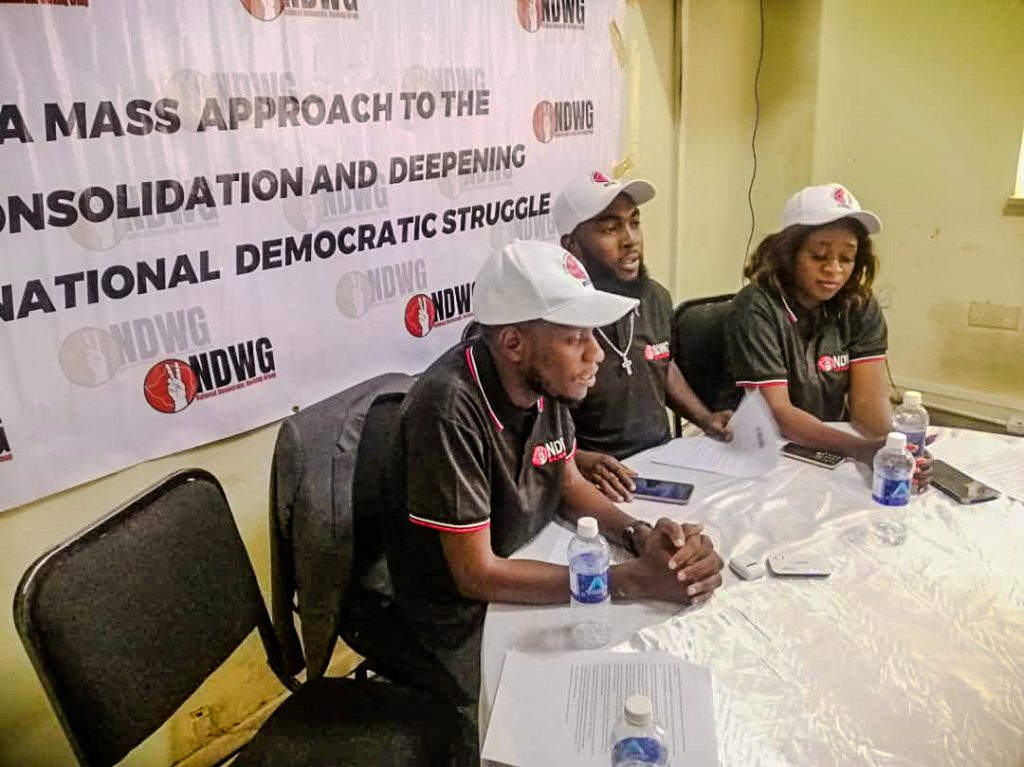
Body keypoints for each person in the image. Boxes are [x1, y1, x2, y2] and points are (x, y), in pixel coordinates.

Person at [381, 240, 724, 762]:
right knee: (565, 727)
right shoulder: (447, 408)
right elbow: (476, 575)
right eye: (576, 338)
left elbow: (566, 481)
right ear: (513, 343)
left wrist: (637, 534)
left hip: (522, 562)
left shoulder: (543, 382)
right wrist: (626, 581)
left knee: (647, 662)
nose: (597, 354)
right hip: (459, 618)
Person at [724, 183, 931, 481]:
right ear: (789, 253)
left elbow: (868, 404)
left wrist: (893, 448)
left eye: (846, 259)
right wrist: (861, 449)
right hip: (765, 451)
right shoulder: (755, 307)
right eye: (819, 256)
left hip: (831, 444)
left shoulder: (859, 305)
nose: (834, 269)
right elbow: (779, 413)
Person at [553, 171, 734, 502]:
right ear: (572, 246)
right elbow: (529, 425)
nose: (630, 240)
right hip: (595, 478)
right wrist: (574, 460)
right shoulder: (554, 320)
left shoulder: (655, 297)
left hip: (664, 463)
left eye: (634, 223)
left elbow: (661, 364)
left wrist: (706, 419)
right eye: (610, 229)